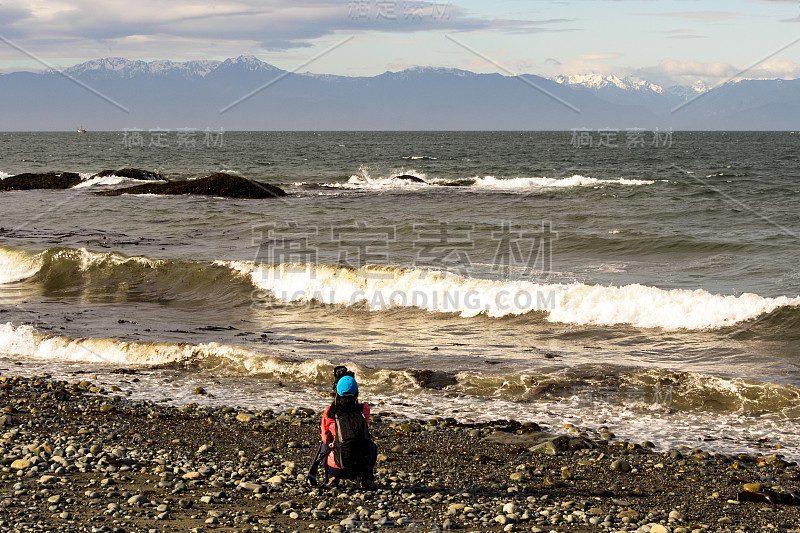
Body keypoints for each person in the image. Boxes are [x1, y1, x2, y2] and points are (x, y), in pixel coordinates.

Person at [318, 372, 378, 490]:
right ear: (356, 393)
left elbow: (324, 436)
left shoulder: (330, 412)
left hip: (336, 468)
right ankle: (366, 478)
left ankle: (331, 477)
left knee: (324, 444)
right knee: (371, 445)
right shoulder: (364, 409)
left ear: (337, 392)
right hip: (361, 466)